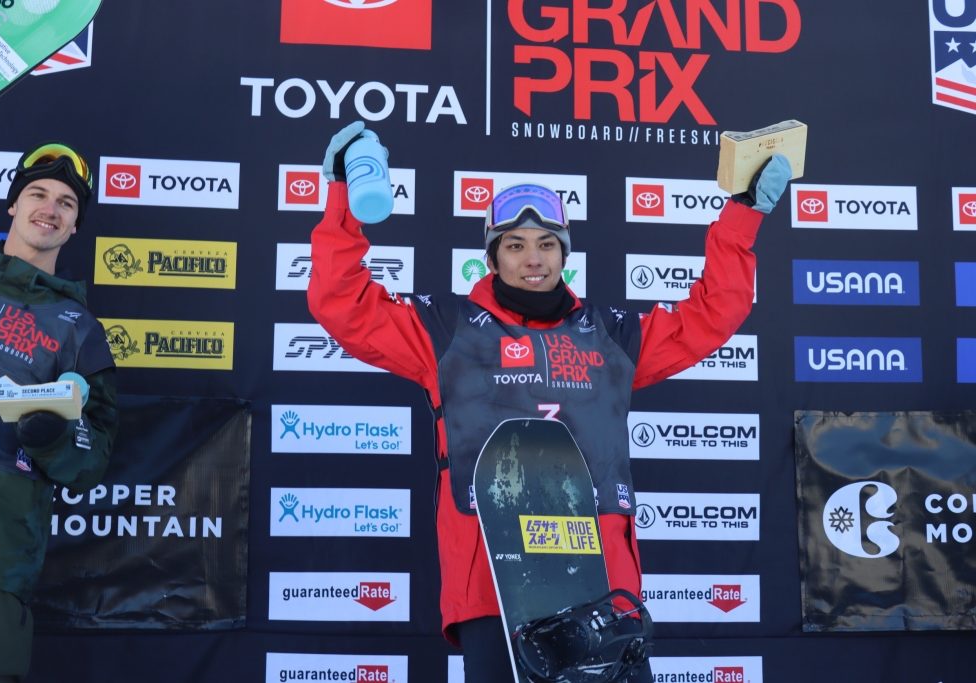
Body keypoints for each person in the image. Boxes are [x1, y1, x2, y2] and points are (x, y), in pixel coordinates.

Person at [308, 121, 790, 682]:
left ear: (564, 254)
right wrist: (342, 200)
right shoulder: (445, 331)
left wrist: (743, 216)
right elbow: (341, 301)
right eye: (514, 246)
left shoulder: (608, 336)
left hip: (602, 588)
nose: (532, 259)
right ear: (492, 259)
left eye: (546, 244)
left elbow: (712, 314)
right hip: (494, 585)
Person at [0, 142, 117, 682]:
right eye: (38, 194)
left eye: (66, 203)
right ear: (13, 205)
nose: (50, 208)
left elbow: (91, 460)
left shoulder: (80, 331)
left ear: (74, 227)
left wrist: (52, 438)